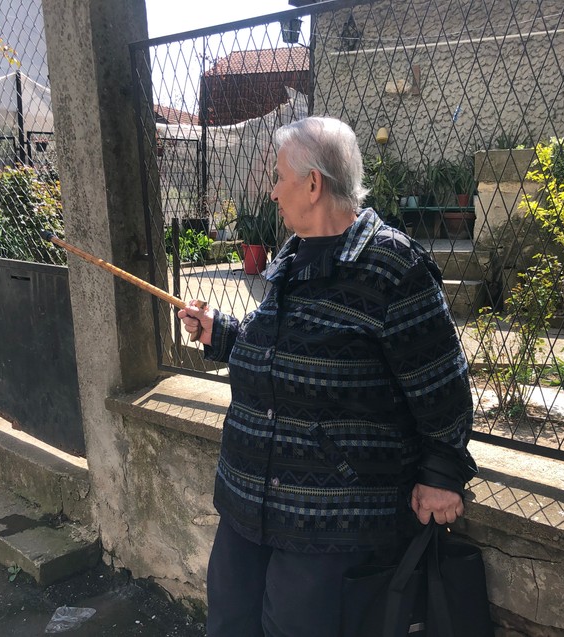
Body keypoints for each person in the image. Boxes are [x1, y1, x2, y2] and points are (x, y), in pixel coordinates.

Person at [178, 116, 477, 637]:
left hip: (331, 520)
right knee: (229, 624)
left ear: (313, 184)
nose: (272, 193)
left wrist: (442, 474)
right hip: (248, 500)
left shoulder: (393, 268)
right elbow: (280, 343)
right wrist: (219, 333)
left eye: (278, 177)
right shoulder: (291, 259)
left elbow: (443, 385)